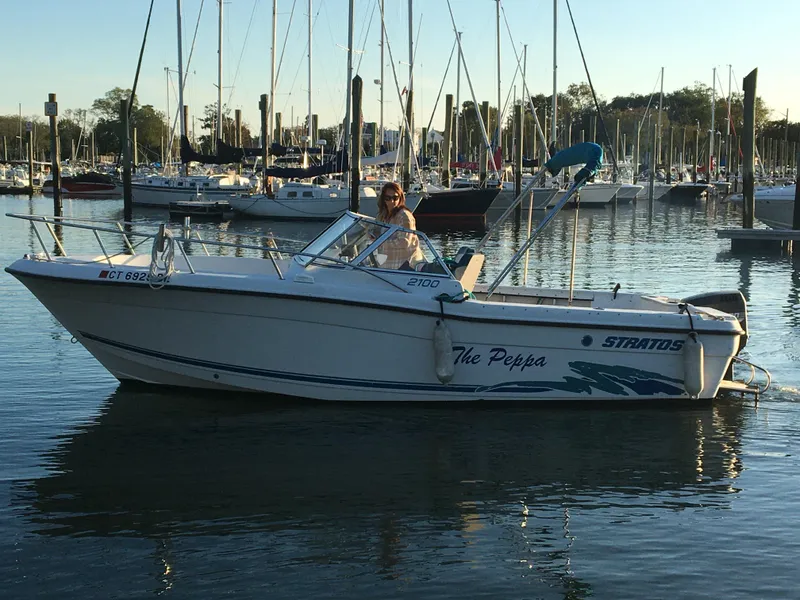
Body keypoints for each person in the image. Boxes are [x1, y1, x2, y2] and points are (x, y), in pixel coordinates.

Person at [375, 182, 424, 269]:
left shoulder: (404, 216)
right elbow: (375, 231)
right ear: (383, 199)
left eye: (395, 197)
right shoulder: (382, 215)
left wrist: (380, 242)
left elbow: (404, 242)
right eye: (388, 198)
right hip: (386, 266)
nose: (392, 201)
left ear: (400, 198)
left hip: (403, 267)